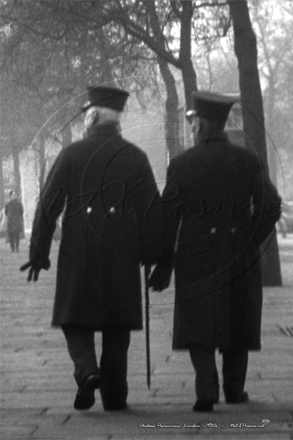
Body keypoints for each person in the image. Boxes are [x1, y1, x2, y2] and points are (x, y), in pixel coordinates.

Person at [21, 86, 160, 412]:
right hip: (122, 252)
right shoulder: (135, 157)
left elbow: (47, 206)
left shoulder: (72, 155)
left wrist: (39, 253)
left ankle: (86, 370)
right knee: (117, 325)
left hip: (78, 251)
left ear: (93, 116)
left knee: (74, 319)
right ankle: (114, 396)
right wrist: (155, 258)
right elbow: (153, 210)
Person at [149, 91, 282, 412]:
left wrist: (163, 265)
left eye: (193, 121)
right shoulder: (247, 160)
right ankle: (235, 390)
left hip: (195, 253)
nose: (191, 127)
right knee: (238, 318)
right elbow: (271, 206)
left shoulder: (182, 164)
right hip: (239, 252)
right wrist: (250, 236)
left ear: (202, 124)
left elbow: (168, 218)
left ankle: (206, 388)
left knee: (197, 320)